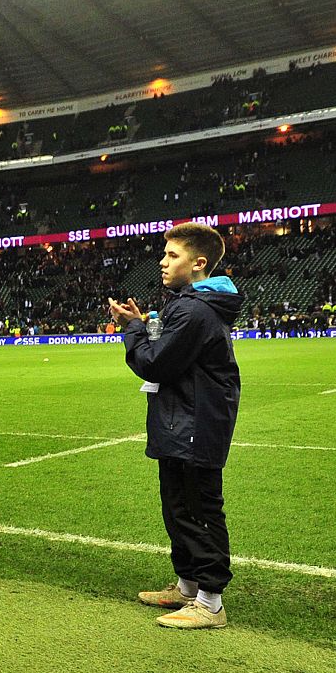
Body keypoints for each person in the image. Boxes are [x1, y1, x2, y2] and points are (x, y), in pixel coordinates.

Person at [110, 223, 242, 629]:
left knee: (197, 509)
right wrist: (145, 325)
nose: (162, 262)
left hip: (194, 419)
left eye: (172, 255)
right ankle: (187, 588)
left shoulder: (194, 308)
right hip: (183, 416)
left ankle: (210, 603)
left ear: (198, 263)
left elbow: (155, 363)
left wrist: (132, 330)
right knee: (178, 505)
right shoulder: (190, 304)